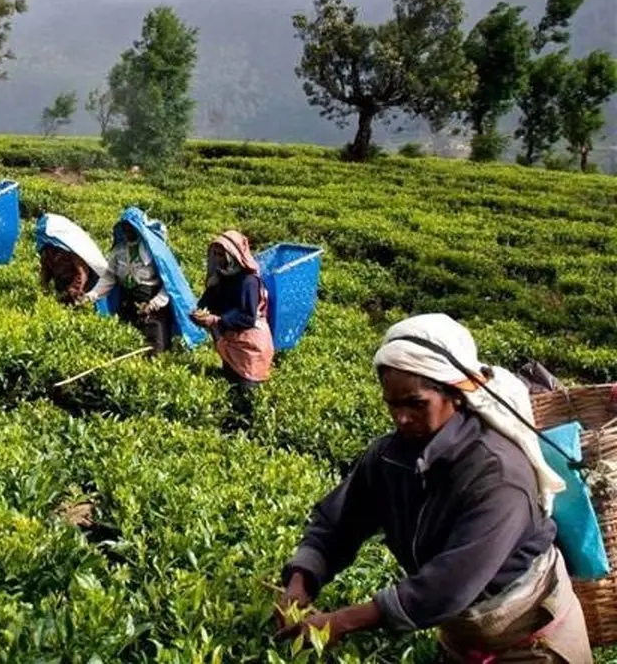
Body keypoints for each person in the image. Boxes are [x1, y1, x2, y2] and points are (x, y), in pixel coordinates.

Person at [277, 314, 591, 664]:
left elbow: (447, 585)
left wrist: (340, 622)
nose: (401, 417)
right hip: (463, 632)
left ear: (455, 395)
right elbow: (336, 524)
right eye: (393, 404)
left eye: (416, 403)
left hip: (532, 641)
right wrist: (300, 581)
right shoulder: (388, 457)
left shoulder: (498, 474)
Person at [192, 230, 274, 425]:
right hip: (231, 342)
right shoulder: (221, 278)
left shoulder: (248, 281)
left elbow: (246, 316)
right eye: (215, 254)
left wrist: (216, 321)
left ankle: (250, 434)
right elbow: (206, 304)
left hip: (250, 346)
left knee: (246, 392)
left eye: (222, 255)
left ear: (233, 255)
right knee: (230, 387)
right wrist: (199, 311)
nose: (218, 259)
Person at [83, 218, 174, 354]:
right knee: (128, 344)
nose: (128, 232)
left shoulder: (153, 251)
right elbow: (108, 278)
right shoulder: (119, 251)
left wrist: (154, 304)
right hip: (127, 302)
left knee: (155, 348)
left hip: (151, 303)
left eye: (131, 227)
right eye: (125, 228)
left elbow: (168, 284)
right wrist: (91, 295)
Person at [35, 214, 109, 306]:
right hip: (63, 285)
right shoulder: (47, 252)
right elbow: (45, 272)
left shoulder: (72, 250)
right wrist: (43, 293)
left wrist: (74, 290)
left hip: (86, 285)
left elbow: (82, 273)